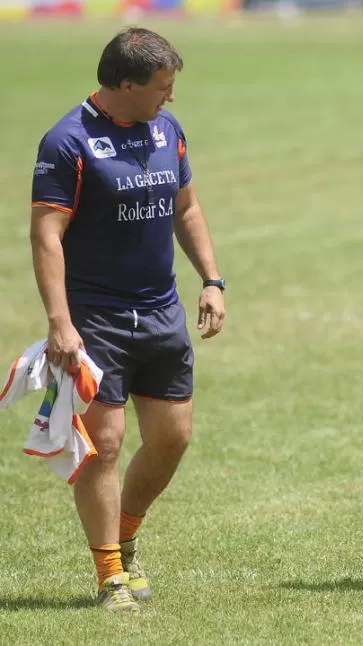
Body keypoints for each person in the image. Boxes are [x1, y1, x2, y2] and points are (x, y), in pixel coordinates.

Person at [30, 27, 226, 611]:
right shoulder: (68, 142)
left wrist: (211, 279)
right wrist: (60, 322)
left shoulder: (167, 130)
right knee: (106, 444)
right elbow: (46, 236)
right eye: (162, 87)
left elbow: (185, 208)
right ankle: (111, 573)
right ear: (123, 84)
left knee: (171, 439)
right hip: (96, 318)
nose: (170, 97)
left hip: (161, 311)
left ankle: (126, 534)